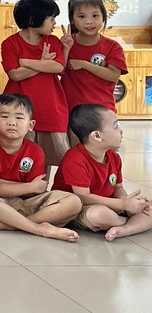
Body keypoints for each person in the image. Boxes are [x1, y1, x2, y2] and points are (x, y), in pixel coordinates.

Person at [0, 93, 81, 242]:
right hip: (0, 204)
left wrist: (4, 183)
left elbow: (37, 190)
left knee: (74, 202)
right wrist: (29, 186)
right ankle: (38, 228)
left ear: (30, 125)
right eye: (5, 117)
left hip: (28, 203)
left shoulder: (36, 151)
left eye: (19, 118)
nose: (12, 122)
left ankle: (14, 225)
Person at [52, 103, 152, 242]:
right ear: (97, 136)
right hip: (80, 209)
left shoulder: (114, 157)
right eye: (116, 126)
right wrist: (123, 205)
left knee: (149, 206)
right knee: (100, 214)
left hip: (111, 204)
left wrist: (127, 201)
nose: (121, 131)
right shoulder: (75, 158)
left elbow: (118, 187)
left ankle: (125, 229)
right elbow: (84, 197)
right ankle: (128, 221)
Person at [1, 0, 67, 167]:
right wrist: (43, 63)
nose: (54, 23)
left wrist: (26, 62)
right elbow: (15, 74)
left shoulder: (53, 41)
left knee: (54, 158)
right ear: (33, 19)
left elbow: (58, 67)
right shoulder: (10, 43)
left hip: (50, 109)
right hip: (20, 110)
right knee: (21, 158)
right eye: (51, 19)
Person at [62, 0, 127, 114]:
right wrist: (66, 49)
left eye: (95, 15)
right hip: (71, 109)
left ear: (103, 17)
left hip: (103, 110)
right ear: (72, 19)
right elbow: (59, 70)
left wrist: (84, 64)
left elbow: (113, 75)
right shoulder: (66, 44)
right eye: (82, 16)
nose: (89, 21)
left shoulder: (113, 46)